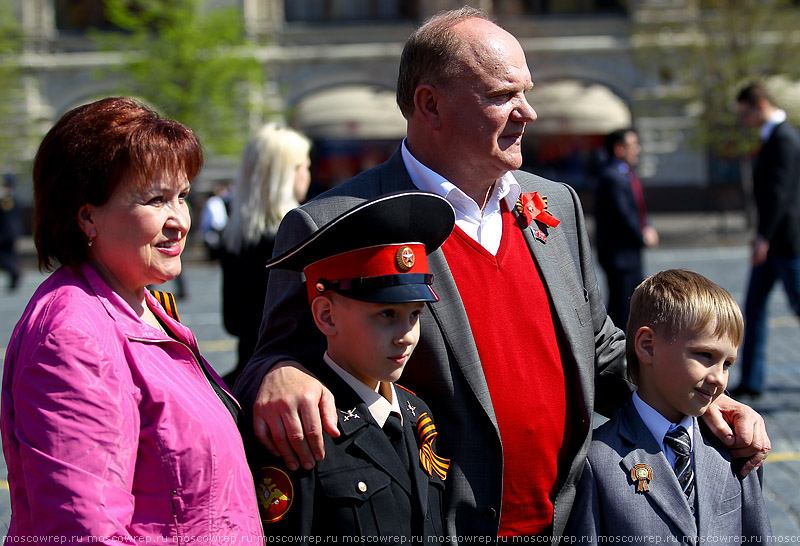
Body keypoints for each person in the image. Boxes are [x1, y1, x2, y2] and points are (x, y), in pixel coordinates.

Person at [234, 7, 769, 541]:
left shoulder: (556, 205)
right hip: (439, 524)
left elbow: (599, 348)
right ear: (430, 105)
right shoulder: (333, 221)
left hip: (573, 522)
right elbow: (270, 359)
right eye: (502, 95)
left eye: (527, 91)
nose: (528, 112)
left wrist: (700, 397)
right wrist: (282, 371)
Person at [0, 97, 263, 541]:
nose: (180, 219)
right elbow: (82, 531)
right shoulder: (73, 337)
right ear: (87, 217)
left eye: (182, 196)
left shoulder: (140, 303)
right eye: (155, 200)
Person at [251, 192, 453, 543]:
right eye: (386, 314)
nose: (405, 336)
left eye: (415, 315)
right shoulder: (304, 427)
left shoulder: (415, 413)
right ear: (326, 316)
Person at [565, 269, 772, 543]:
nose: (718, 378)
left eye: (727, 364)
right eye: (705, 355)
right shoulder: (598, 461)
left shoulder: (736, 448)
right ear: (648, 346)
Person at [220, 123, 311, 387]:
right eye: (304, 166)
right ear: (287, 174)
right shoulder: (301, 235)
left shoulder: (234, 236)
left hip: (248, 371)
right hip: (298, 376)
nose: (308, 174)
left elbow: (233, 321)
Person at [733, 82, 800, 398]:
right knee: (754, 307)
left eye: (745, 113)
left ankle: (752, 380)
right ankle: (753, 381)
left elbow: (781, 195)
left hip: (786, 243)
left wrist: (764, 237)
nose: (744, 120)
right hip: (773, 241)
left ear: (760, 105)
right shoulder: (773, 137)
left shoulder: (784, 138)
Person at [594, 128, 659, 328]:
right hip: (619, 254)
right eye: (633, 145)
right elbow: (623, 214)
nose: (637, 150)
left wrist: (647, 226)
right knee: (623, 307)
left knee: (632, 303)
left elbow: (638, 207)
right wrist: (642, 234)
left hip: (629, 252)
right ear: (619, 148)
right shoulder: (611, 177)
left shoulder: (625, 174)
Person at [0, 173, 22, 291]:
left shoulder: (7, 198)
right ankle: (14, 277)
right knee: (10, 255)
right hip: (13, 231)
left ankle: (15, 273)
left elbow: (6, 216)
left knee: (4, 256)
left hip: (6, 232)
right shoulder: (14, 196)